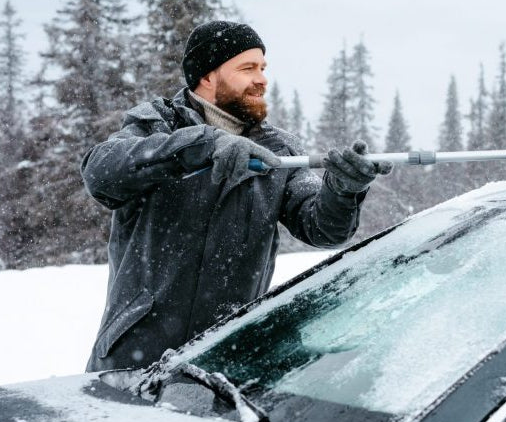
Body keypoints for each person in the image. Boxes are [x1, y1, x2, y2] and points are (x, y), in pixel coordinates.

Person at [82, 20, 391, 372]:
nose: (262, 79)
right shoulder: (156, 124)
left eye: (263, 68)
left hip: (228, 357)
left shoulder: (278, 149)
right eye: (247, 68)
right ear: (207, 76)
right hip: (134, 357)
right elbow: (101, 172)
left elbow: (321, 228)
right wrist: (201, 145)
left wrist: (342, 190)